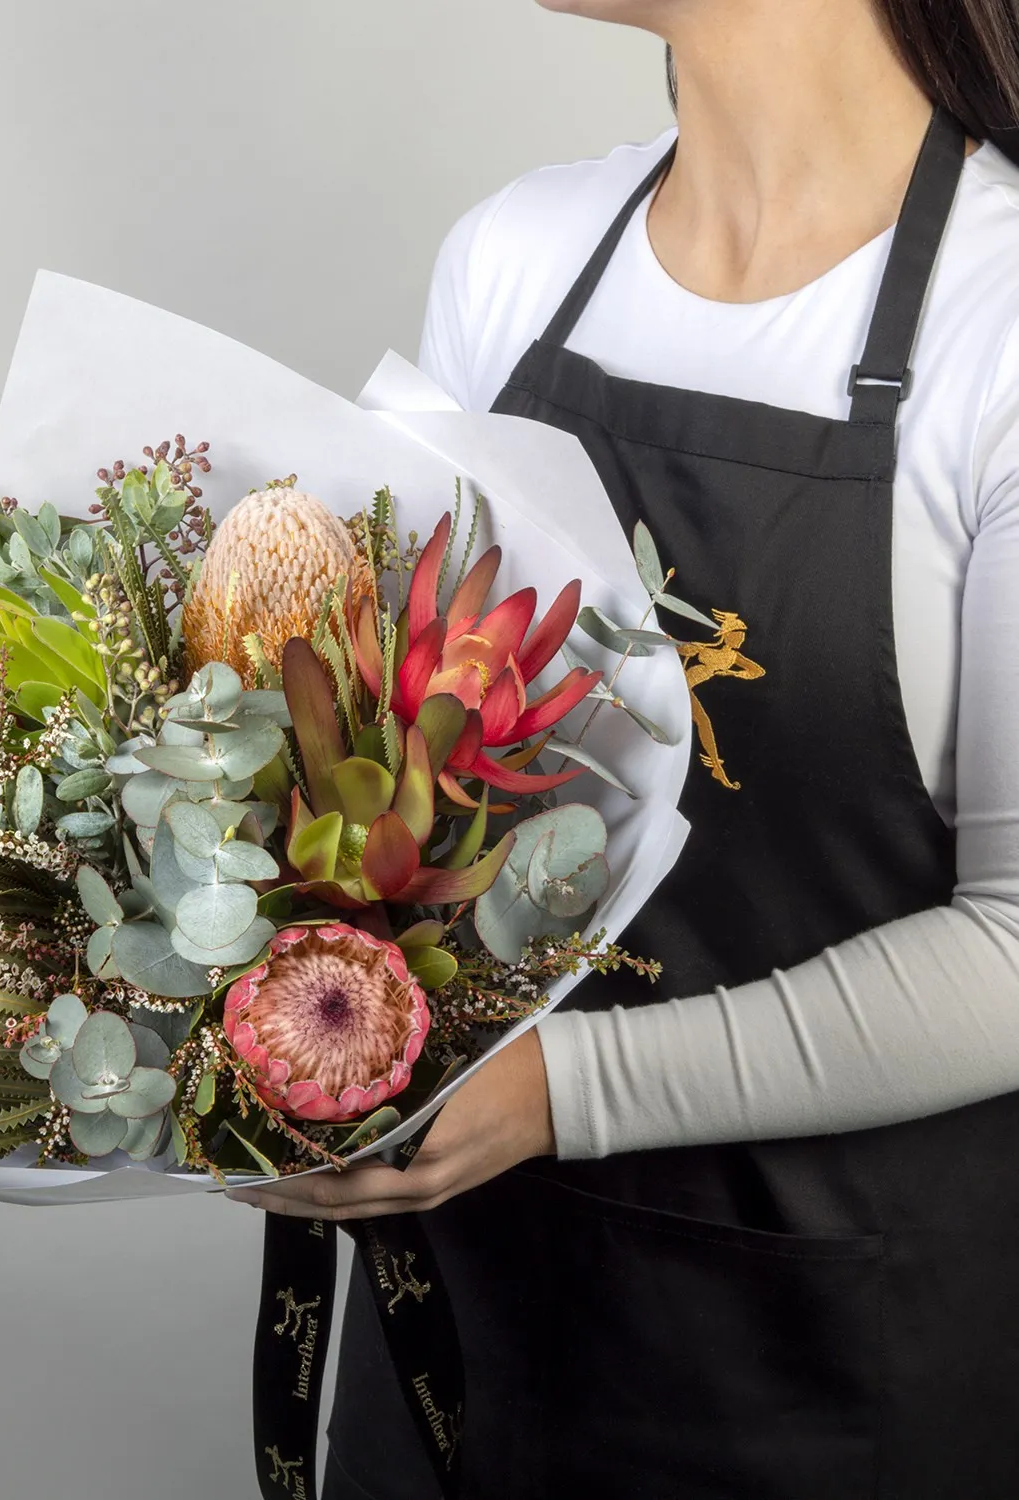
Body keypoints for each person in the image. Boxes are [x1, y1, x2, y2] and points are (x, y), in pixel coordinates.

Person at [225, 1, 1019, 1494]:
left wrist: (552, 1096)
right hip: (474, 1320)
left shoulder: (1005, 323)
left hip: (844, 1365)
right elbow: (410, 784)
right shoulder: (520, 262)